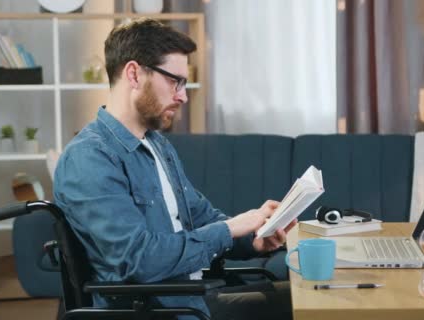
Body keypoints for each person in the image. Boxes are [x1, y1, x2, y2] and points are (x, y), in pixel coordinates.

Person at [53, 18, 295, 320]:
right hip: (160, 311)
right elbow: (138, 260)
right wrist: (230, 228)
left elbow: (202, 218)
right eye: (174, 80)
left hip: (194, 296)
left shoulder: (158, 145)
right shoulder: (89, 159)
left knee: (311, 296)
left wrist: (255, 238)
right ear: (134, 74)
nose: (183, 95)